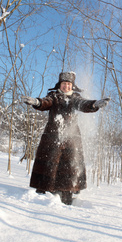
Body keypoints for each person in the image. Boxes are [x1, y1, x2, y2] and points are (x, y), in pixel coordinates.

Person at [22, 72, 110, 205]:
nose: (66, 86)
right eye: (64, 84)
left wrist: (94, 104)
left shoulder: (75, 98)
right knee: (49, 161)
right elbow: (46, 103)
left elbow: (84, 104)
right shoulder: (54, 96)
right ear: (60, 85)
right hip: (52, 135)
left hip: (71, 136)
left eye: (69, 84)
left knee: (70, 163)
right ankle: (44, 191)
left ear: (72, 86)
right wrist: (37, 102)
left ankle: (68, 192)